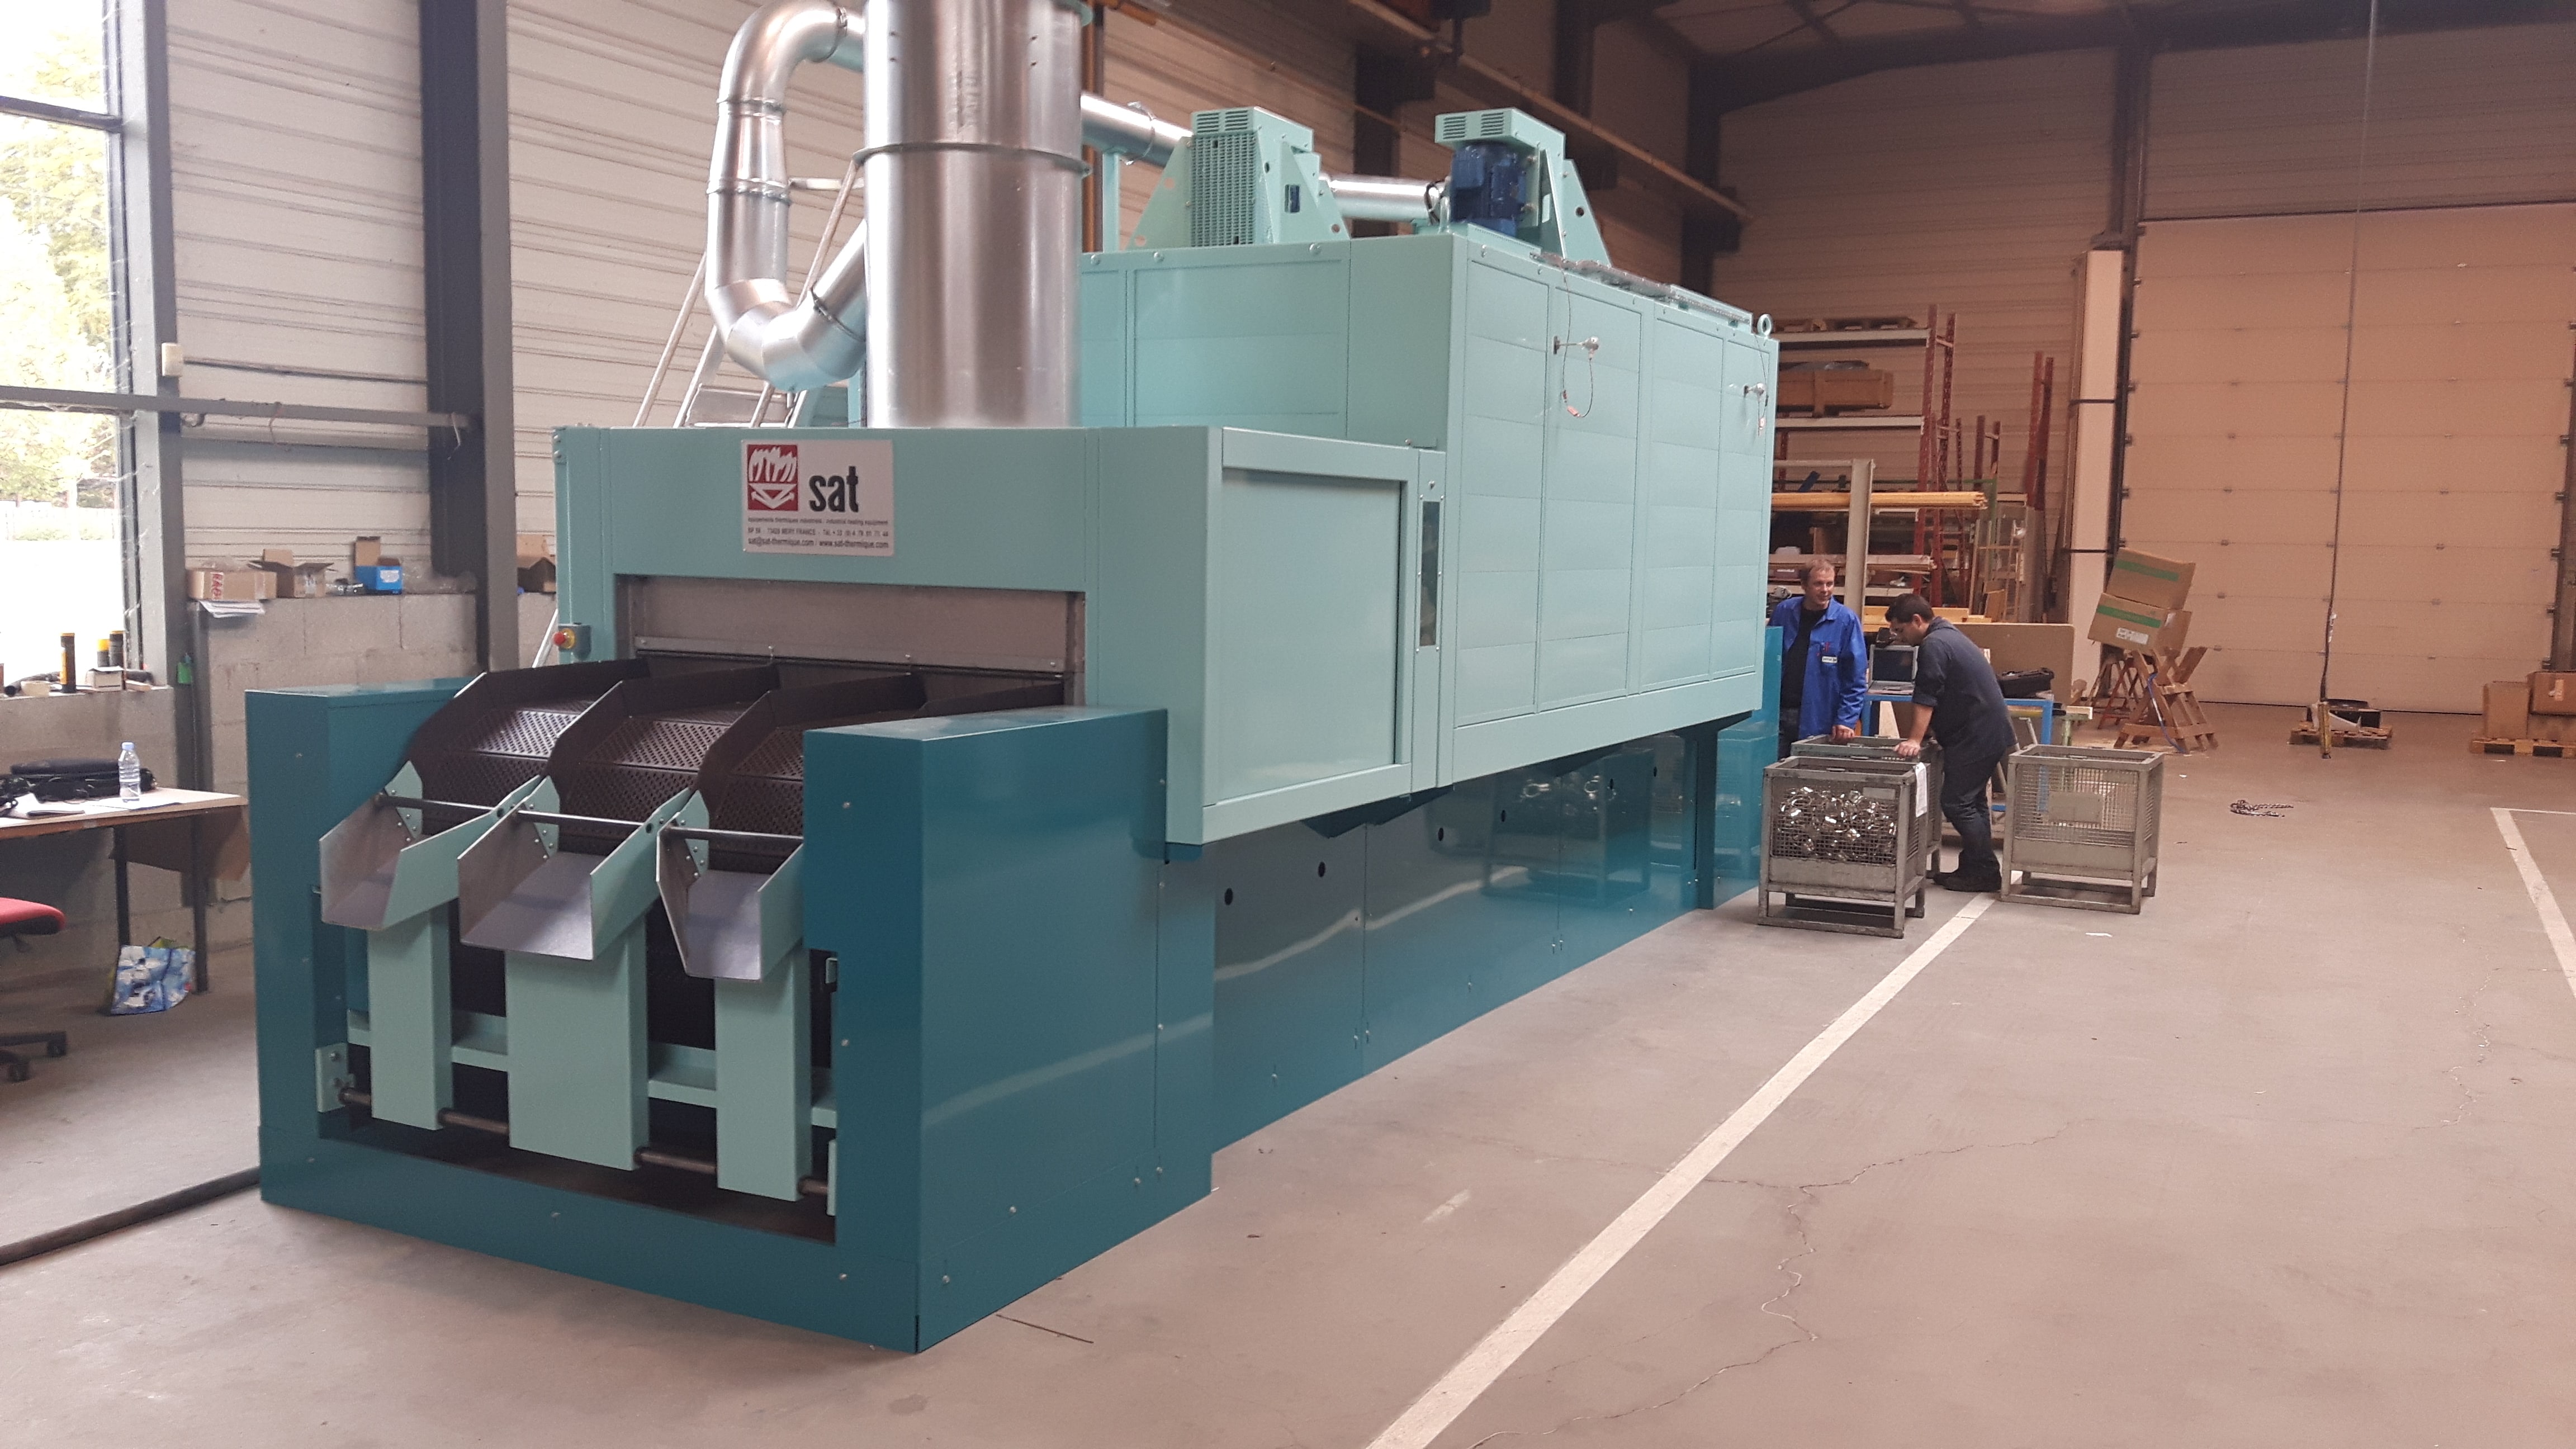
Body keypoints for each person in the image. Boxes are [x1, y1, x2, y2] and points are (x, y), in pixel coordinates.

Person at [1886, 593, 2014, 892]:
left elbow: (1927, 695)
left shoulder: (1934, 644)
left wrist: (1915, 739)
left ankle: (1984, 872)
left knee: (1956, 802)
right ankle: (1976, 869)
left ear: (1917, 620)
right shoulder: (1949, 634)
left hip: (1977, 735)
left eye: (1901, 630)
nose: (1900, 638)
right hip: (1986, 731)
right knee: (1972, 802)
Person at [1768, 560, 1868, 760]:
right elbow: (1769, 659)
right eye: (1818, 584)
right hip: (1778, 715)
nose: (1825, 590)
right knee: (1770, 771)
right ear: (1804, 585)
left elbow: (1856, 678)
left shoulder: (1846, 621)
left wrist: (1846, 720)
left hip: (1820, 719)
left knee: (1810, 773)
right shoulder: (1785, 612)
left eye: (1830, 584)